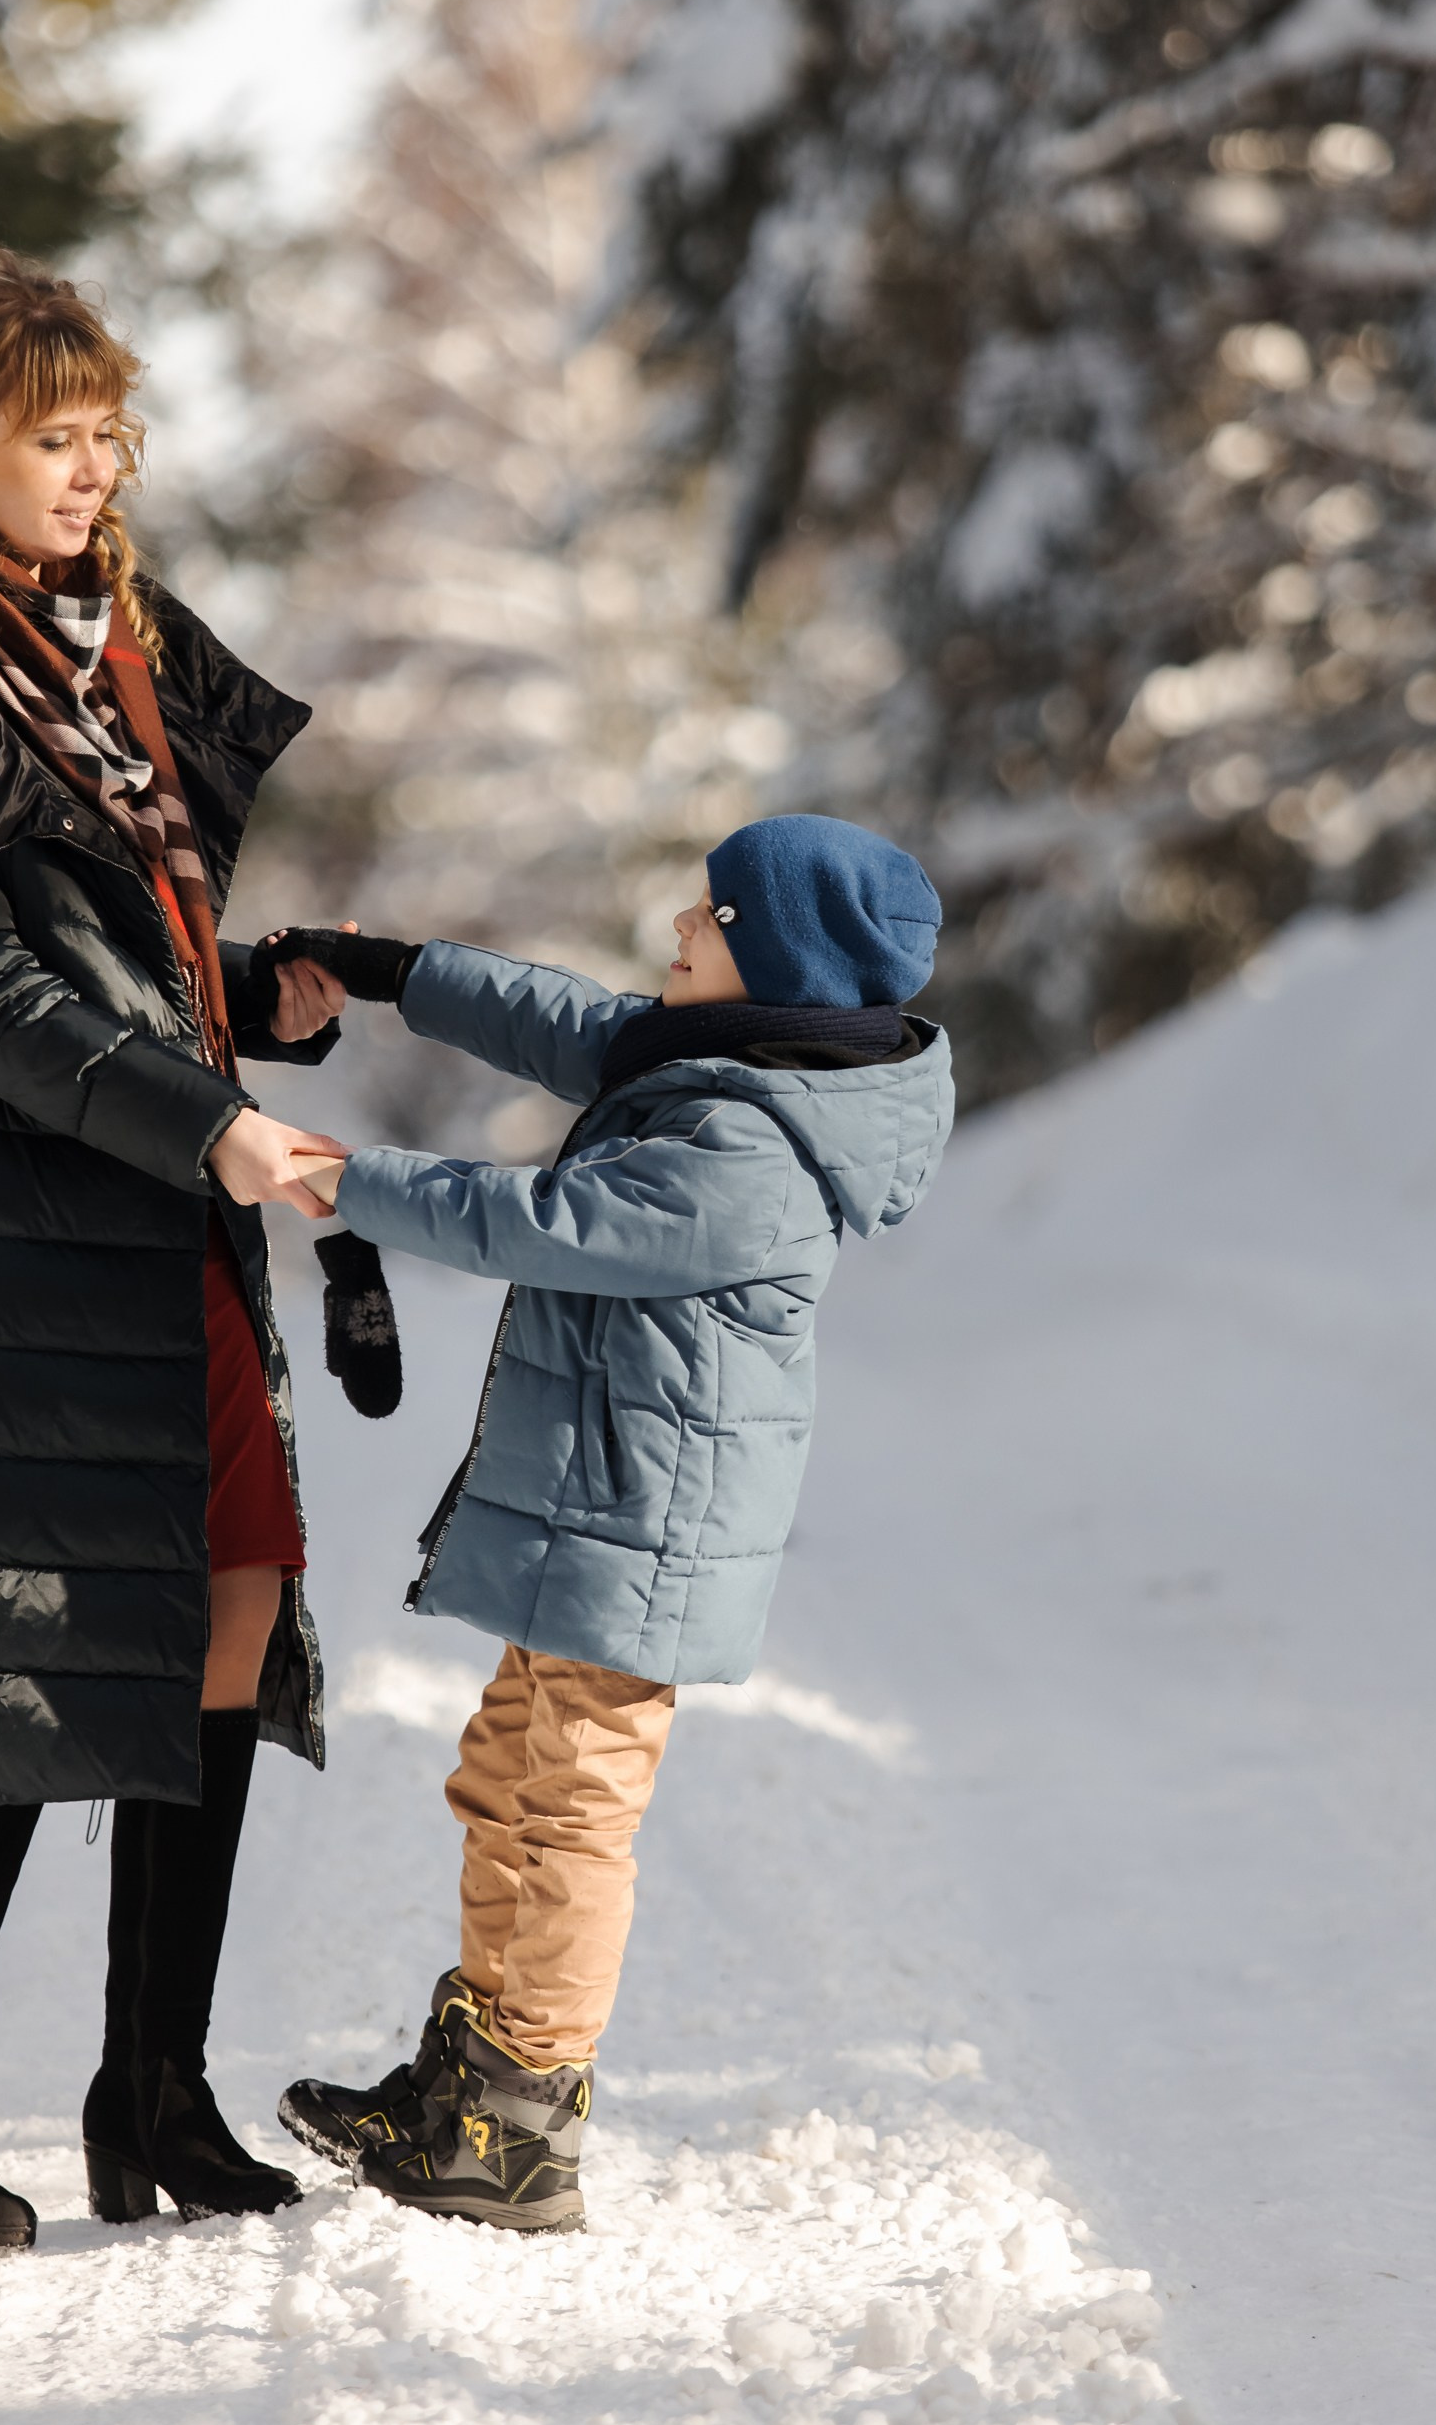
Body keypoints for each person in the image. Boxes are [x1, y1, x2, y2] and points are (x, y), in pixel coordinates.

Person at [0, 246, 351, 2247]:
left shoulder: (118, 637)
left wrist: (241, 1008)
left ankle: (149, 2093)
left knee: (230, 1587)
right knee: (25, 1643)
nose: (95, 464)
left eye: (109, 429)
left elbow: (134, 940)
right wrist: (205, 1114)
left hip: (147, 1199)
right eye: (54, 434)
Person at [265, 815, 955, 2232]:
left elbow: (544, 1220)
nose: (676, 938)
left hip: (647, 1523)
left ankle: (518, 2125)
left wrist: (341, 1177)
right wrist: (392, 968)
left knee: (567, 1814)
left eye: (708, 922)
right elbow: (573, 1021)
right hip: (604, 1507)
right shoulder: (739, 1065)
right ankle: (472, 2081)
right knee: (505, 1779)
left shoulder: (748, 1147)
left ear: (778, 963)